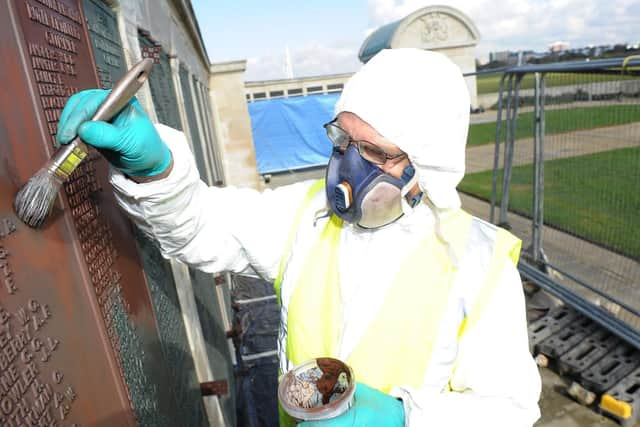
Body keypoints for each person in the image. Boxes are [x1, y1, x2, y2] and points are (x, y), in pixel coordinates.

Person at [56, 48, 541, 426]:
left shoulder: (480, 263)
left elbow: (509, 410)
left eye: (372, 152)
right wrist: (157, 170)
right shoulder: (306, 215)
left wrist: (404, 418)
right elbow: (202, 227)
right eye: (342, 140)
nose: (347, 164)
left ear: (426, 168)